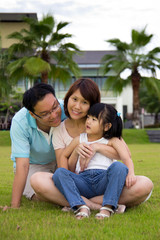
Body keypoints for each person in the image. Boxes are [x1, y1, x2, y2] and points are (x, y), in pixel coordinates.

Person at [31, 79, 153, 209]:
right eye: (74, 99)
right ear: (67, 99)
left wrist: (96, 147)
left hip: (105, 181)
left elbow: (125, 155)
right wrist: (76, 152)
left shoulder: (103, 127)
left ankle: (82, 201)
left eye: (84, 102)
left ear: (92, 105)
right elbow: (65, 171)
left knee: (145, 184)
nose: (77, 106)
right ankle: (100, 204)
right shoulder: (61, 130)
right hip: (80, 182)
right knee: (38, 180)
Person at [53, 103, 135, 219]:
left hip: (103, 180)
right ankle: (82, 206)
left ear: (106, 126)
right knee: (59, 173)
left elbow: (126, 158)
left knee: (119, 167)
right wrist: (76, 152)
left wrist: (131, 173)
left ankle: (107, 207)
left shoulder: (112, 140)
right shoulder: (79, 139)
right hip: (82, 180)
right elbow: (64, 156)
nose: (88, 121)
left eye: (94, 119)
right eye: (88, 117)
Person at [9, 83, 66, 208]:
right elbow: (23, 165)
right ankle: (87, 204)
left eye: (55, 107)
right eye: (45, 114)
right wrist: (15, 205)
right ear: (33, 114)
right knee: (40, 194)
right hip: (35, 166)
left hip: (63, 160)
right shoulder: (20, 122)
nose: (54, 115)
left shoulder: (68, 109)